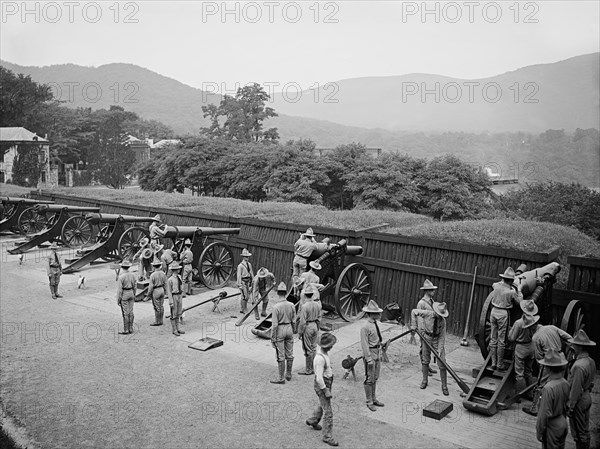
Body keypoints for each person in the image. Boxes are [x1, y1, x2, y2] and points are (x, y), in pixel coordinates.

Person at [523, 324, 573, 416]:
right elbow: (569, 338)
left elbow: (538, 357)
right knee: (560, 382)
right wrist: (571, 351)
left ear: (531, 328)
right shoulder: (552, 327)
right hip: (561, 358)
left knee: (540, 385)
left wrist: (542, 368)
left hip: (549, 361)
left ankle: (534, 409)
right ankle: (560, 406)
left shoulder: (535, 337)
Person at [306, 332, 339, 447]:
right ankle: (327, 436)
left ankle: (313, 420)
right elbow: (319, 379)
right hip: (323, 385)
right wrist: (326, 390)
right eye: (330, 345)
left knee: (323, 404)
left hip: (327, 382)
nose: (332, 346)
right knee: (328, 412)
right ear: (325, 346)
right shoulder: (319, 359)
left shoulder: (323, 354)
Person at [411, 301, 450, 396]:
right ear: (435, 311)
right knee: (425, 360)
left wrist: (440, 350)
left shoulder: (443, 321)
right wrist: (414, 325)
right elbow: (413, 311)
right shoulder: (427, 314)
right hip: (426, 338)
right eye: (438, 314)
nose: (440, 316)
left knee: (442, 362)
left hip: (437, 340)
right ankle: (424, 381)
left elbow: (442, 337)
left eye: (442, 315)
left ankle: (444, 386)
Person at [489, 267, 523, 370]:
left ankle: (493, 363)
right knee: (501, 340)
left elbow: (496, 283)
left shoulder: (496, 286)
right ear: (512, 281)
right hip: (503, 313)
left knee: (493, 338)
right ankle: (499, 364)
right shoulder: (511, 292)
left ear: (503, 278)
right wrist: (519, 289)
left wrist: (503, 280)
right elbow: (520, 302)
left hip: (493, 311)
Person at [567, 330, 596, 449]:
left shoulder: (579, 366)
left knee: (579, 433)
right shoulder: (591, 361)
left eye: (574, 344)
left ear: (579, 346)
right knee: (585, 429)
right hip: (587, 396)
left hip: (579, 400)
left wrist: (570, 406)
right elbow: (592, 381)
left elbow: (576, 389)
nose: (572, 346)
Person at [536, 348, 570, 449]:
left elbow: (544, 414)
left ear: (548, 368)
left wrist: (539, 431)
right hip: (562, 421)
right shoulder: (565, 383)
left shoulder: (548, 388)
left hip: (552, 426)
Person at [507, 300, 540, 397]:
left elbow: (512, 338)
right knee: (529, 371)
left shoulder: (519, 323)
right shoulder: (534, 322)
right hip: (531, 347)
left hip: (521, 348)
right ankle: (530, 394)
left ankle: (518, 396)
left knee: (519, 373)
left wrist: (510, 332)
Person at [270, 282, 297, 384]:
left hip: (280, 329)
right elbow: (294, 320)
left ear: (278, 293)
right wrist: (293, 331)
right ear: (286, 293)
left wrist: (273, 337)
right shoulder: (291, 305)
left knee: (280, 355)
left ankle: (281, 378)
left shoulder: (276, 307)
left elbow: (275, 325)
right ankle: (289, 374)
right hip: (289, 328)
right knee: (289, 353)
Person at [361, 300, 385, 411]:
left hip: (377, 352)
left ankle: (374, 398)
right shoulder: (365, 327)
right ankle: (369, 401)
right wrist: (368, 358)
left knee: (375, 377)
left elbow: (376, 339)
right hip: (370, 353)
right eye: (377, 313)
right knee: (369, 378)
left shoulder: (375, 324)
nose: (379, 314)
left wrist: (381, 343)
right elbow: (364, 344)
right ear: (371, 314)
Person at [298, 284, 322, 376]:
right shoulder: (317, 305)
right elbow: (319, 318)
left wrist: (300, 333)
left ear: (305, 295)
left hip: (307, 326)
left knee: (308, 349)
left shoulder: (304, 306)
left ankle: (308, 369)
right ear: (312, 295)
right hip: (315, 325)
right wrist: (317, 327)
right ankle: (314, 367)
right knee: (314, 347)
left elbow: (302, 322)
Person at [416, 279, 439, 376]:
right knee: (424, 350)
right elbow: (419, 318)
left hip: (431, 329)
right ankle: (424, 368)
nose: (434, 291)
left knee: (428, 350)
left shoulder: (431, 301)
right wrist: (421, 331)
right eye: (432, 290)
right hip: (424, 331)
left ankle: (428, 366)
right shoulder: (421, 303)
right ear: (427, 291)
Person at [146, 256, 169, 327]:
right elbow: (166, 284)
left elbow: (150, 287)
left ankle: (157, 321)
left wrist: (148, 295)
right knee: (161, 306)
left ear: (153, 266)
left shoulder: (152, 275)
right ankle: (161, 320)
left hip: (156, 290)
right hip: (162, 289)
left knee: (156, 307)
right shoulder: (163, 273)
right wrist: (166, 293)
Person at [116, 260, 137, 335]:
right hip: (131, 292)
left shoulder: (121, 277)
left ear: (122, 267)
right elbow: (135, 286)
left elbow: (119, 290)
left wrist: (118, 299)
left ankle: (126, 329)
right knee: (131, 312)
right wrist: (134, 294)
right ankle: (131, 328)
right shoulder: (133, 275)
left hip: (124, 293)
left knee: (125, 313)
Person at [167, 262, 185, 336]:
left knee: (178, 313)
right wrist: (171, 302)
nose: (178, 270)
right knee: (173, 314)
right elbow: (169, 291)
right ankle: (174, 330)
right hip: (174, 296)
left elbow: (182, 285)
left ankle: (178, 328)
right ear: (174, 270)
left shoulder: (179, 277)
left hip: (179, 296)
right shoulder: (170, 280)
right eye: (177, 269)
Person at [236, 249, 254, 314]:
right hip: (243, 281)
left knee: (248, 295)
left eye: (248, 256)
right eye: (246, 256)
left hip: (248, 281)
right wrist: (239, 284)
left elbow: (251, 272)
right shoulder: (240, 266)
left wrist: (253, 280)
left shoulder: (249, 264)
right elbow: (238, 276)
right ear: (243, 257)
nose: (247, 258)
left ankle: (243, 308)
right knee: (244, 296)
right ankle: (244, 309)